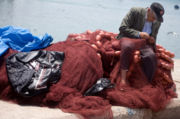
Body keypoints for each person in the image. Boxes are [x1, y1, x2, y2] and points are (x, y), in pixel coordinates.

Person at [116, 2, 165, 85]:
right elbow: (122, 28)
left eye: (157, 18)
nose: (154, 20)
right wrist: (139, 34)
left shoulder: (157, 22)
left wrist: (152, 39)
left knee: (151, 56)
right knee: (127, 47)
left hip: (143, 43)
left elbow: (154, 35)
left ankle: (146, 82)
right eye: (153, 17)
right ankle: (123, 79)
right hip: (128, 38)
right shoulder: (135, 11)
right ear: (149, 10)